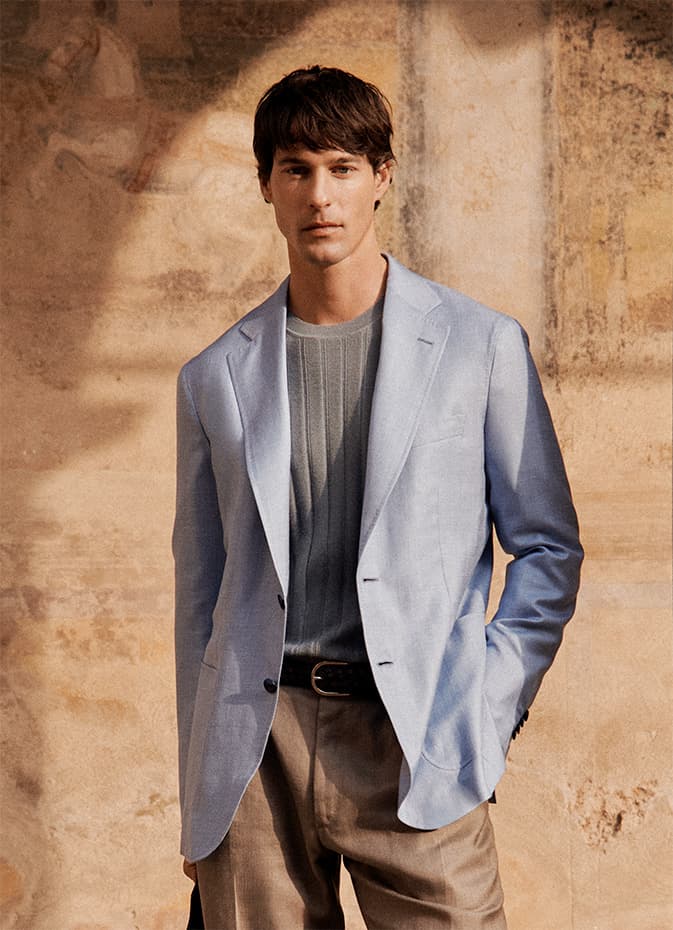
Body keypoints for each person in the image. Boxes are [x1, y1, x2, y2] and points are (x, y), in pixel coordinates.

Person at [173, 65, 583, 930]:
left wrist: (486, 704)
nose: (319, 195)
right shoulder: (214, 376)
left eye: (342, 167)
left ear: (381, 177)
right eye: (295, 169)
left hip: (419, 735)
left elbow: (547, 546)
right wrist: (199, 788)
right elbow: (200, 598)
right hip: (256, 751)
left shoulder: (478, 346)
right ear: (266, 185)